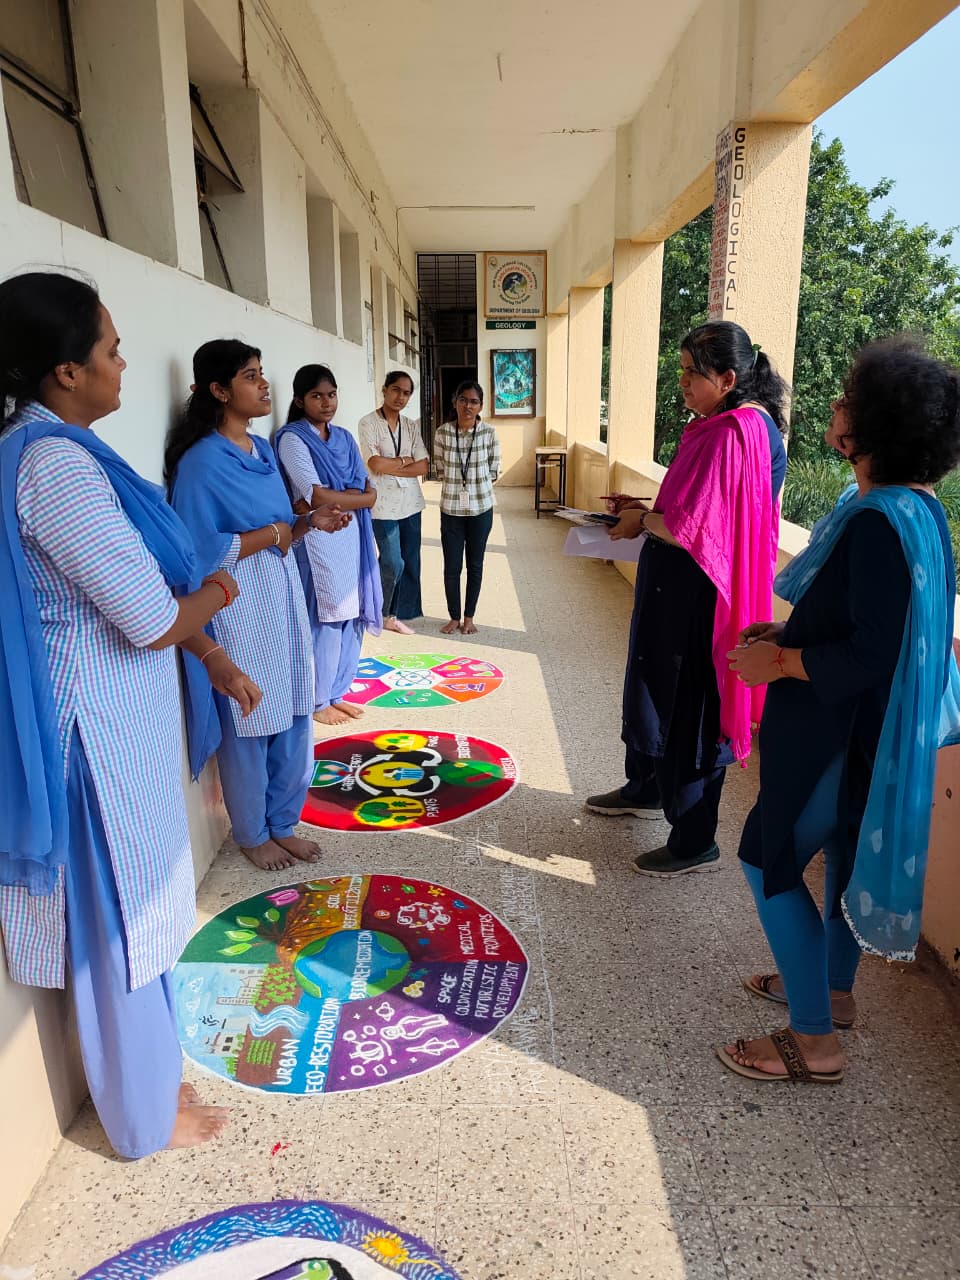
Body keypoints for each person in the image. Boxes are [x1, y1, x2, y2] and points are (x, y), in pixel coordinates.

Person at [0, 271, 262, 1157]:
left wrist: (215, 654)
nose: (121, 363)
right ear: (65, 372)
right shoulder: (56, 467)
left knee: (139, 908)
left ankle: (149, 1077)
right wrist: (223, 586)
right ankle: (143, 1120)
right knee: (113, 926)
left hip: (117, 730)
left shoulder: (61, 451)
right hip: (90, 742)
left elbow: (145, 596)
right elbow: (150, 614)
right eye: (110, 349)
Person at [720, 337, 960, 1084]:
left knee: (768, 859)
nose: (833, 405)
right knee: (842, 859)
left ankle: (815, 1040)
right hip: (873, 734)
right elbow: (872, 622)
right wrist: (790, 631)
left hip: (837, 731)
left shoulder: (876, 521)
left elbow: (871, 652)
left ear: (871, 430)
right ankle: (832, 992)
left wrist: (782, 662)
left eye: (848, 399)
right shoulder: (918, 510)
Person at [586, 321, 788, 877]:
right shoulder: (717, 425)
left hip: (703, 599)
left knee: (693, 705)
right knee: (655, 686)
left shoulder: (737, 431)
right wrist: (646, 506)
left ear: (726, 379)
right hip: (673, 586)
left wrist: (643, 521)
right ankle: (646, 787)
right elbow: (698, 505)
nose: (681, 384)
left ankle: (695, 837)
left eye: (690, 374)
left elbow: (703, 529)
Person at [166, 341, 351, 872]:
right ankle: (251, 832)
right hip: (237, 601)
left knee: (294, 707)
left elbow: (280, 534)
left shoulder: (261, 450)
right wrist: (272, 533)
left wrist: (305, 525)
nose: (264, 385)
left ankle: (283, 822)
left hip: (281, 592)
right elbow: (197, 548)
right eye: (251, 376)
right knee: (251, 718)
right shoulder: (202, 462)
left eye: (263, 374)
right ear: (220, 391)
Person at [275, 364, 382, 725]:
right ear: (299, 400)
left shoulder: (345, 438)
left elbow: (359, 483)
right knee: (325, 619)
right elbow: (317, 496)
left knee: (351, 617)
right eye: (316, 396)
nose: (326, 402)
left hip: (351, 537)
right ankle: (318, 699)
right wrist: (361, 499)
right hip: (318, 539)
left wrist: (350, 497)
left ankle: (337, 691)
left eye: (331, 394)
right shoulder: (292, 439)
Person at [358, 371, 429, 634]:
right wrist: (404, 460)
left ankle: (396, 612)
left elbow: (423, 465)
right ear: (385, 390)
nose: (400, 397)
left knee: (409, 560)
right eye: (396, 390)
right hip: (382, 503)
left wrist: (392, 466)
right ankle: (379, 608)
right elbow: (374, 462)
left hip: (410, 501)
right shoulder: (368, 423)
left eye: (406, 392)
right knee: (392, 561)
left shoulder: (410, 425)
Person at [433, 380, 501, 635]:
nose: (468, 406)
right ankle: (453, 616)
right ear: (455, 402)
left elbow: (494, 469)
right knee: (451, 566)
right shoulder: (442, 433)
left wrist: (474, 489)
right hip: (451, 510)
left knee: (475, 565)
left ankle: (469, 617)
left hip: (481, 510)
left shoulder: (489, 434)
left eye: (474, 401)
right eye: (463, 400)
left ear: (480, 406)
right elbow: (440, 469)